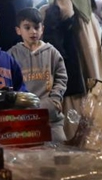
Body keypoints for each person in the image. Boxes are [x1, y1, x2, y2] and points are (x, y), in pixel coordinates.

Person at [9, 8, 67, 142]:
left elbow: (61, 77)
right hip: (24, 116)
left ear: (42, 29)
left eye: (36, 27)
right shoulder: (12, 54)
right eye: (27, 27)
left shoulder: (52, 52)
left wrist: (55, 99)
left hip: (51, 117)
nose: (33, 31)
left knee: (59, 152)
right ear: (18, 30)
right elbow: (8, 81)